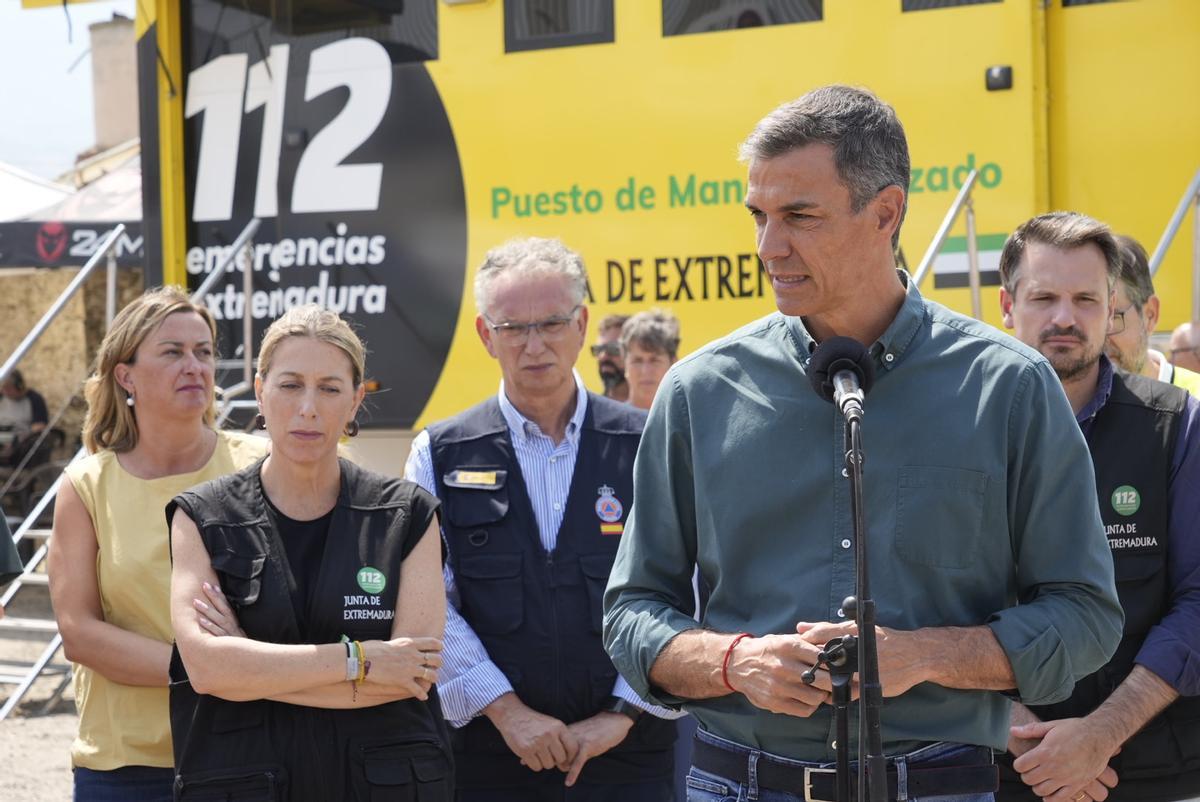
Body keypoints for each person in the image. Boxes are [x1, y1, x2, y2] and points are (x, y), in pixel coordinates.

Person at [603, 85, 1123, 802]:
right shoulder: (699, 391)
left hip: (939, 785)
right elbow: (630, 612)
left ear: (887, 213)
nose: (767, 247)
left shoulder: (1008, 387)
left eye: (799, 217)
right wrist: (734, 662)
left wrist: (923, 657)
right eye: (758, 216)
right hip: (735, 783)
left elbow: (1086, 614)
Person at [405, 237, 679, 801]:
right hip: (490, 757)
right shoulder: (439, 453)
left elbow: (684, 588)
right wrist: (507, 713)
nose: (535, 346)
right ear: (486, 335)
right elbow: (428, 602)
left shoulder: (648, 440)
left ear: (581, 325)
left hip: (630, 758)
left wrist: (623, 714)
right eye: (513, 328)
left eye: (551, 323)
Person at [168, 305, 451, 801]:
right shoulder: (202, 517)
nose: (308, 408)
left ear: (356, 400)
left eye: (330, 388)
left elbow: (413, 675)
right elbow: (208, 670)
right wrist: (359, 661)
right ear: (260, 390)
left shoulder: (409, 515)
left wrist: (250, 666)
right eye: (290, 384)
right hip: (250, 782)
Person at [996, 212, 1200, 802]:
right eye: (1044, 297)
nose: (1064, 317)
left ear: (1113, 306)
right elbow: (922, 604)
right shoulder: (953, 433)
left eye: (1086, 298)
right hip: (996, 771)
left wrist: (1098, 736)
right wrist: (1025, 734)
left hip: (1157, 773)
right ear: (1009, 306)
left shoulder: (1177, 427)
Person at [45, 286, 269, 801]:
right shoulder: (86, 486)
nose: (194, 366)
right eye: (172, 352)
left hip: (253, 751)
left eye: (204, 351)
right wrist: (209, 671)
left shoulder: (262, 466)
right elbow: (78, 632)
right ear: (126, 376)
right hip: (127, 766)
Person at [1104, 235, 1200, 395]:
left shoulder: (1194, 403)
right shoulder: (1062, 405)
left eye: (1113, 317)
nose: (1099, 339)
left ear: (1150, 315)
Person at [619, 309, 681, 411]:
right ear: (624, 363)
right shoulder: (608, 424)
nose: (646, 371)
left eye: (654, 360)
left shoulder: (690, 423)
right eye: (637, 361)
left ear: (673, 362)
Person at [0, 369, 50, 467]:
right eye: (3, 387)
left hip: (21, 444)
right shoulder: (2, 397)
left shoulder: (34, 399)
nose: (5, 391)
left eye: (9, 388)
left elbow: (39, 426)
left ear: (19, 386)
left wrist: (20, 439)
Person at [593, 314, 630, 401]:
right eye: (599, 350)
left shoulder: (658, 410)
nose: (603, 357)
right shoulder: (590, 409)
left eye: (613, 349)